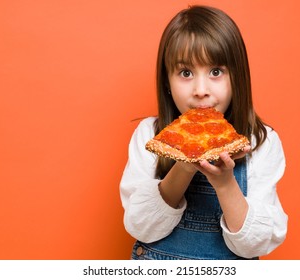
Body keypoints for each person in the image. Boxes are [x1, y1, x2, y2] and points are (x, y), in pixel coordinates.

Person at [120, 5, 287, 260]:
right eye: (186, 73)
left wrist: (225, 183)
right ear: (167, 81)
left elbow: (255, 245)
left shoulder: (261, 142)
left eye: (216, 72)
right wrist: (185, 165)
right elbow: (141, 226)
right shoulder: (150, 135)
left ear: (237, 77)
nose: (200, 90)